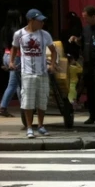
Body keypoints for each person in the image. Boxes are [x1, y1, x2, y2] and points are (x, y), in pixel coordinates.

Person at [9, 9, 57, 138]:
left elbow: (53, 51)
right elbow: (14, 48)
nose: (42, 23)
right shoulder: (19, 34)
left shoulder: (45, 35)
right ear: (31, 20)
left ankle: (41, 125)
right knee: (28, 101)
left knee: (42, 100)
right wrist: (11, 62)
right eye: (39, 20)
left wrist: (52, 65)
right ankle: (29, 127)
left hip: (42, 73)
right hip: (27, 73)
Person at [0, 9, 22, 117]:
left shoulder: (3, 29)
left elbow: (1, 45)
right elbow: (16, 47)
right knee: (13, 84)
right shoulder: (16, 31)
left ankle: (24, 107)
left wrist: (4, 62)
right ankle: (3, 107)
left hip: (6, 56)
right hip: (15, 57)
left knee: (17, 83)